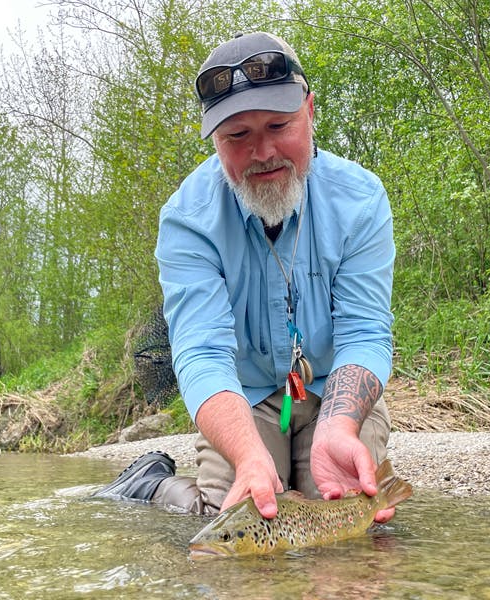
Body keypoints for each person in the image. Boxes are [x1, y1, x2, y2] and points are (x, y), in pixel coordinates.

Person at [94, 31, 396, 524]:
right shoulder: (187, 220)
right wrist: (249, 456)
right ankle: (153, 485)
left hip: (331, 391)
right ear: (215, 141)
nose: (262, 152)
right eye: (237, 136)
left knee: (343, 516)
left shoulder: (361, 201)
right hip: (247, 396)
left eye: (279, 125)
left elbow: (364, 332)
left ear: (311, 112)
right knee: (233, 523)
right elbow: (201, 353)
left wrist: (340, 428)